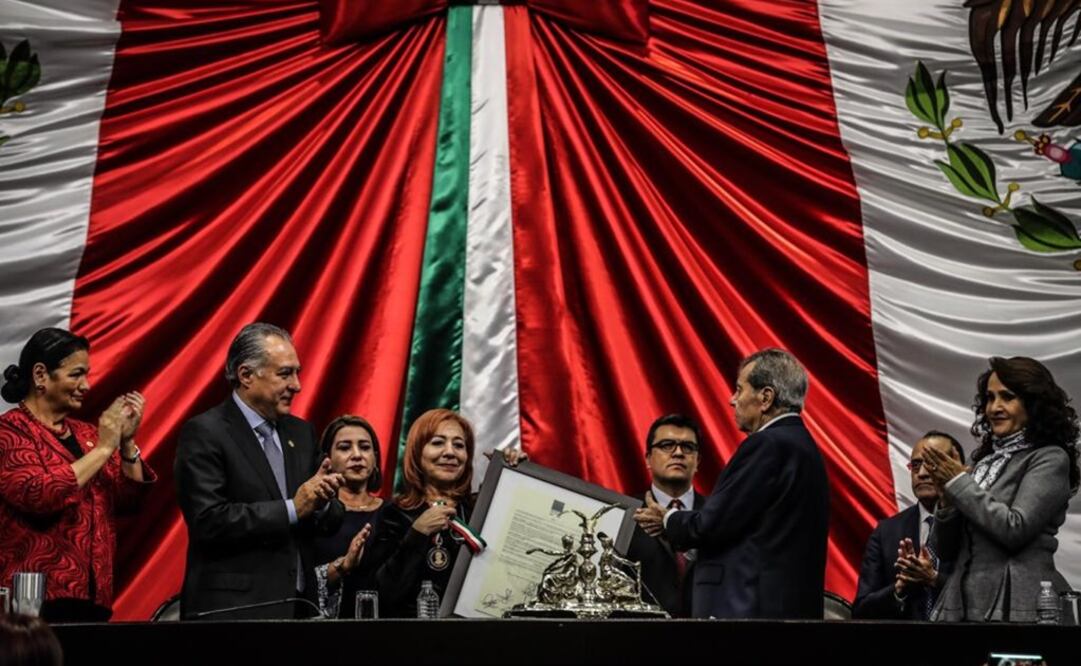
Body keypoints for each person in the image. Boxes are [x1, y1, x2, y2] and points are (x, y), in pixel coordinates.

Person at [633, 348, 830, 619]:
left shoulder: (767, 444)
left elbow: (712, 524)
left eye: (739, 389)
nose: (732, 399)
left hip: (751, 617)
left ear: (765, 398)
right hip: (785, 613)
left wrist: (667, 519)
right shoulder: (803, 446)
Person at [175, 322, 345, 620]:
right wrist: (293, 508)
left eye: (297, 372)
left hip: (299, 608)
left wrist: (323, 503)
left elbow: (330, 517)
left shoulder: (302, 433)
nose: (297, 385)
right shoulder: (205, 432)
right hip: (233, 612)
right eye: (285, 373)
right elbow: (209, 521)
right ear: (246, 375)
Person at [0, 327, 154, 622]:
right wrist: (104, 448)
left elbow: (129, 500)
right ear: (41, 375)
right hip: (32, 605)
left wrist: (126, 443)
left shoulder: (87, 434)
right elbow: (38, 496)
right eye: (76, 375)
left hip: (93, 599)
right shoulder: (10, 432)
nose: (86, 385)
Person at [924, 356, 1080, 622]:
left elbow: (1015, 529)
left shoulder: (1050, 458)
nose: (994, 407)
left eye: (1007, 397)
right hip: (960, 605)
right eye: (989, 398)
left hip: (1017, 605)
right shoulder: (982, 462)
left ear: (1033, 403)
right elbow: (945, 551)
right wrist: (947, 500)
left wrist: (958, 483)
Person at [363, 409, 475, 618]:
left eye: (459, 445)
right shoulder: (395, 514)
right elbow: (381, 593)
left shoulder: (478, 509)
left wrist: (514, 471)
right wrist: (417, 533)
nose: (450, 452)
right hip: (413, 634)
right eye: (438, 443)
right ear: (416, 452)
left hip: (476, 632)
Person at [852, 431, 965, 619]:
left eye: (932, 463)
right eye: (916, 465)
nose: (922, 474)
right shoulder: (886, 532)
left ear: (956, 468)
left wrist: (934, 579)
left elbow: (987, 596)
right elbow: (861, 611)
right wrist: (899, 589)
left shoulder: (975, 524)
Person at [625, 414, 706, 617]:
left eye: (688, 447)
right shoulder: (625, 513)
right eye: (667, 445)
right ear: (648, 459)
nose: (678, 453)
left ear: (698, 461)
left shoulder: (716, 514)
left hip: (706, 631)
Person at [312, 414, 384, 618]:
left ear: (375, 457)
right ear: (327, 459)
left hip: (386, 627)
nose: (357, 455)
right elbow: (296, 583)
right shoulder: (315, 513)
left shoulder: (394, 514)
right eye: (345, 448)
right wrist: (342, 566)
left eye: (365, 447)